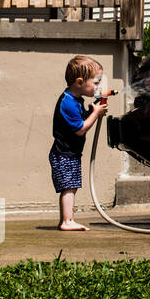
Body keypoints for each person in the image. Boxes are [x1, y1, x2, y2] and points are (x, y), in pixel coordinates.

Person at [50, 55, 108, 231]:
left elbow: (79, 121)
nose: (98, 86)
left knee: (71, 186)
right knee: (68, 188)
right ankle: (67, 221)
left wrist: (93, 110)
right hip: (63, 154)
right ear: (80, 82)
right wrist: (95, 114)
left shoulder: (75, 100)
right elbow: (80, 129)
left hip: (70, 153)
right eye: (96, 82)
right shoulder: (67, 103)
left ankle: (67, 220)